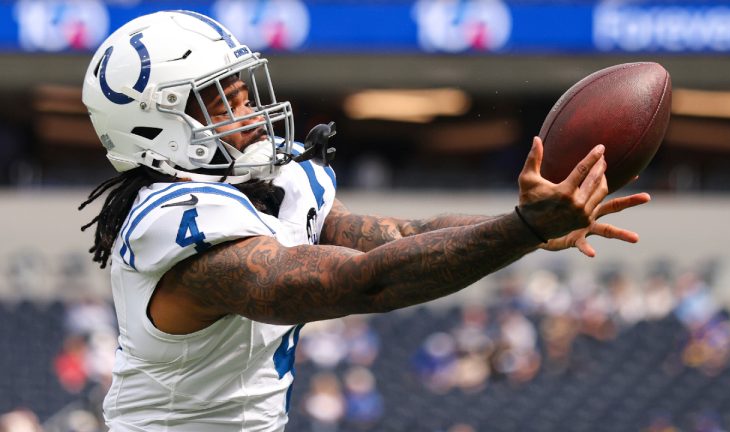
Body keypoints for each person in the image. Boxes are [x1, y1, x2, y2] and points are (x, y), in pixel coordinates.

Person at [79, 10, 650, 432]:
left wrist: (526, 224)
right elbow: (359, 282)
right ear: (154, 129)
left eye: (243, 93)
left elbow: (402, 235)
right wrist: (521, 230)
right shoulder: (171, 224)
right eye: (221, 104)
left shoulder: (272, 183)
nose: (252, 114)